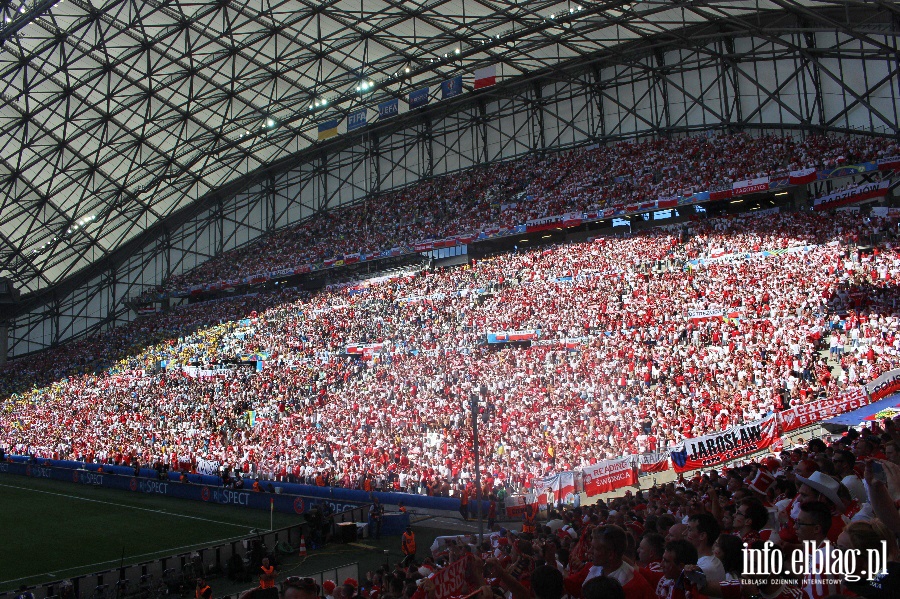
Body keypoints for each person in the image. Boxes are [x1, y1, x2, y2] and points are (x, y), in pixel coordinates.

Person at [686, 513, 725, 584]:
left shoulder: (707, 567)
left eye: (690, 530)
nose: (684, 533)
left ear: (702, 536)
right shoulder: (710, 561)